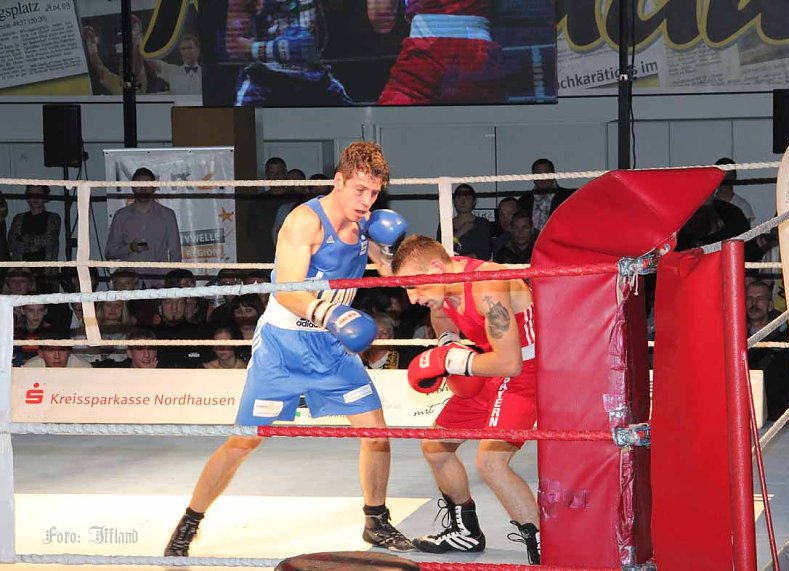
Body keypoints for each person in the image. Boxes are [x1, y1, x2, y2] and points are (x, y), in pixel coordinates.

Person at [164, 142, 412, 556]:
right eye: (359, 191)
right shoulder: (304, 223)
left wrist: (388, 249)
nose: (367, 202)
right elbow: (287, 291)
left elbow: (386, 271)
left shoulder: (366, 221)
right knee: (245, 441)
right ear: (339, 180)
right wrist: (332, 315)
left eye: (374, 193)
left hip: (332, 347)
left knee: (377, 434)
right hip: (285, 343)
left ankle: (376, 520)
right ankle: (190, 521)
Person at [391, 235, 541, 564]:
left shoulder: (487, 284)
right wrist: (448, 344)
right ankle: (466, 532)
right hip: (489, 368)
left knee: (490, 462)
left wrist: (450, 361)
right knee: (435, 445)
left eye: (415, 288)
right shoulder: (443, 285)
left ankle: (545, 546)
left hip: (526, 372)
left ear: (434, 268)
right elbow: (442, 315)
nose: (413, 299)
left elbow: (510, 364)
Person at [225, 0, 351, 106]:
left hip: (314, 78)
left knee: (355, 125)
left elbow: (309, 45)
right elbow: (234, 47)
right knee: (243, 129)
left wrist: (256, 49)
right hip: (264, 83)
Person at [375, 0, 502, 105]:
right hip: (479, 54)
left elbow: (382, 18)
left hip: (427, 53)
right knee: (484, 127)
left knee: (390, 124)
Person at [105, 168, 182, 286]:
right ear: (132, 187)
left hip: (159, 282)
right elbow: (110, 252)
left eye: (147, 184)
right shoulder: (121, 216)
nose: (143, 188)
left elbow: (175, 253)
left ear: (154, 187)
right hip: (129, 284)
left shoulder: (167, 215)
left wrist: (170, 282)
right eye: (139, 184)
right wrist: (130, 248)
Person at [438, 184, 492, 260]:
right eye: (459, 197)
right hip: (452, 270)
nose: (462, 201)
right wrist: (459, 233)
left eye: (467, 197)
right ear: (454, 201)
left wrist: (458, 260)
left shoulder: (482, 224)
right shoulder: (445, 225)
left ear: (474, 201)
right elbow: (441, 253)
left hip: (474, 269)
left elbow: (484, 254)